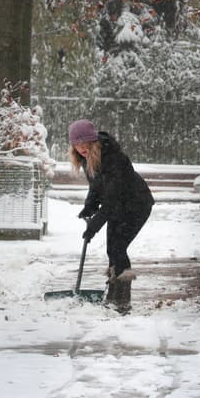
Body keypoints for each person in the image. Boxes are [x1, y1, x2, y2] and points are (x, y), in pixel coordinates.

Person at [67, 119, 154, 312]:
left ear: (93, 141)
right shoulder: (87, 158)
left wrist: (95, 225)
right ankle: (114, 293)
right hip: (117, 206)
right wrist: (89, 206)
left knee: (118, 247)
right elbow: (97, 186)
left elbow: (113, 196)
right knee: (112, 249)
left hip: (136, 204)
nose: (81, 148)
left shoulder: (114, 158)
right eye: (77, 144)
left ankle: (122, 299)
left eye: (85, 143)